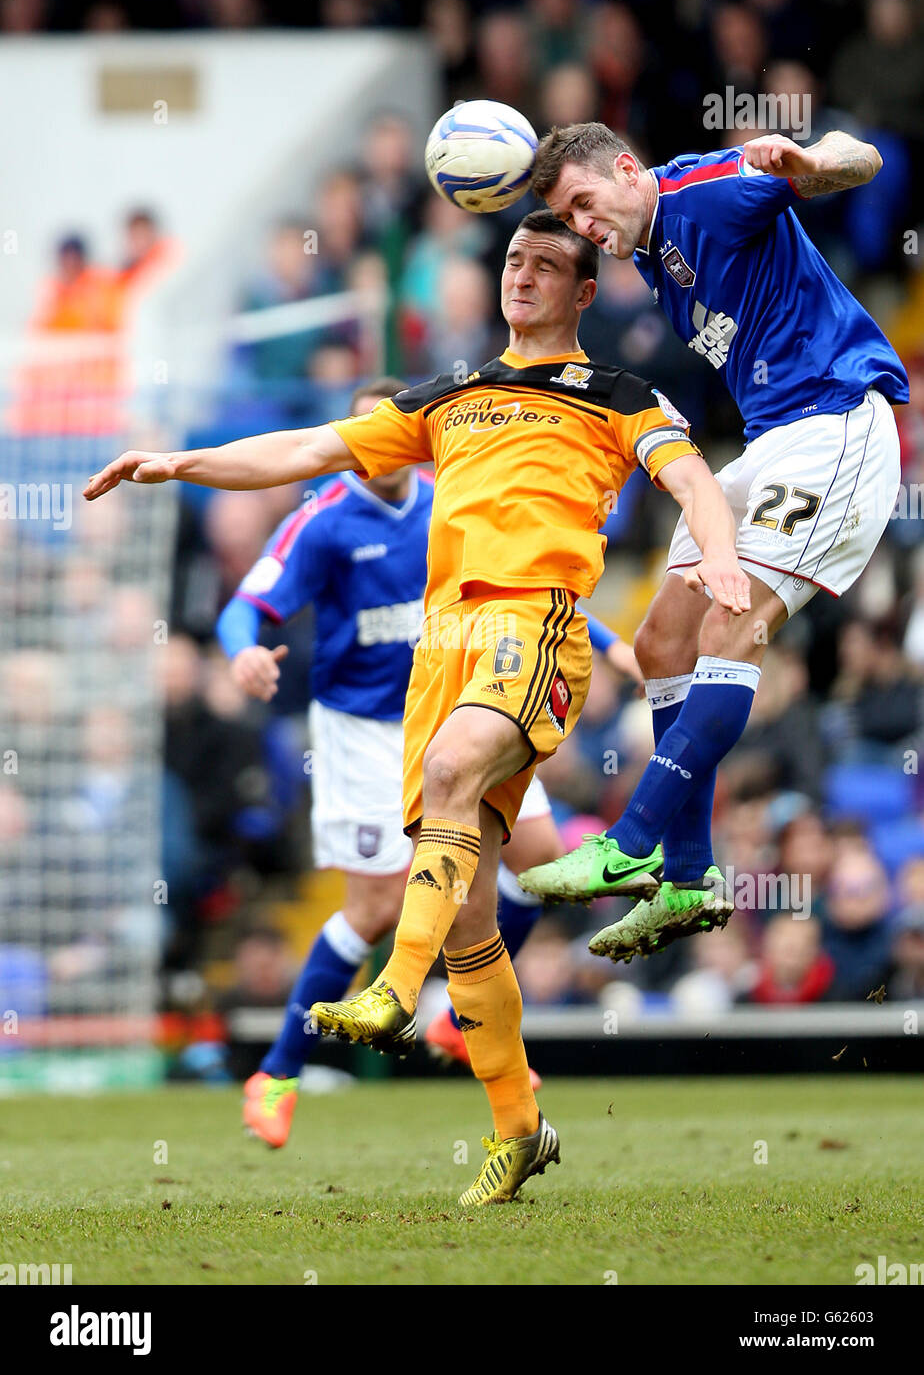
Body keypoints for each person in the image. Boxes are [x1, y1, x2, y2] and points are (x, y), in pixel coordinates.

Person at [84, 211, 748, 1204]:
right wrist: (182, 463)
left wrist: (723, 550)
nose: (522, 274)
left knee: (448, 782)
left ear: (583, 292)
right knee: (473, 918)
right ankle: (520, 1128)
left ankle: (398, 985)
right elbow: (309, 447)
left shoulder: (618, 394)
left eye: (547, 264)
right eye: (513, 260)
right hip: (442, 653)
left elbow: (689, 474)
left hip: (532, 626)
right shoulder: (450, 393)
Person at [521, 122, 909, 965]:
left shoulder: (710, 193)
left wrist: (810, 163)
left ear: (627, 170)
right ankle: (691, 880)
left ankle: (633, 836)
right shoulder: (653, 245)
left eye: (585, 203)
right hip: (773, 442)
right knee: (661, 643)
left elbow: (859, 159)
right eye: (566, 217)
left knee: (729, 626)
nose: (584, 227)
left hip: (838, 423)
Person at [221, 377, 643, 1147]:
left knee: (540, 859)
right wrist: (244, 649)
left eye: (382, 435)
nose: (369, 453)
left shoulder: (458, 500)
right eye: (357, 439)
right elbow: (244, 605)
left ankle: (457, 1014)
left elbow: (539, 587)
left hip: (465, 709)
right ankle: (277, 1073)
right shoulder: (324, 522)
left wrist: (616, 647)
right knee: (376, 910)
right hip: (366, 732)